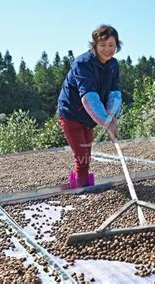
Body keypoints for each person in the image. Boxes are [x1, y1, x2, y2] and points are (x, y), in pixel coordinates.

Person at [57, 24, 122, 189]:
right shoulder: (83, 63)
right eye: (102, 45)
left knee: (86, 155)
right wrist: (107, 123)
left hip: (89, 118)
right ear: (95, 45)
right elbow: (89, 98)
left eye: (111, 45)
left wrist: (111, 116)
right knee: (82, 157)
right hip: (72, 113)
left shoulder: (113, 65)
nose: (107, 49)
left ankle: (78, 183)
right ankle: (82, 191)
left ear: (117, 46)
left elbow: (114, 93)